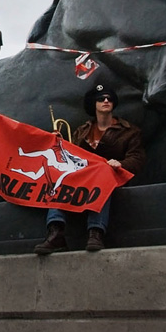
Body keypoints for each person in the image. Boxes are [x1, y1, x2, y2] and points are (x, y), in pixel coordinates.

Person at [34, 81, 146, 254]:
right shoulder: (82, 131)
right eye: (101, 99)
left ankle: (96, 232)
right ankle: (56, 233)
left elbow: (137, 158)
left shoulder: (129, 131)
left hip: (112, 178)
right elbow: (72, 158)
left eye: (109, 98)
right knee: (60, 178)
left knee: (103, 173)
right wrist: (59, 145)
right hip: (85, 180)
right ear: (94, 104)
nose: (106, 101)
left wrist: (120, 164)